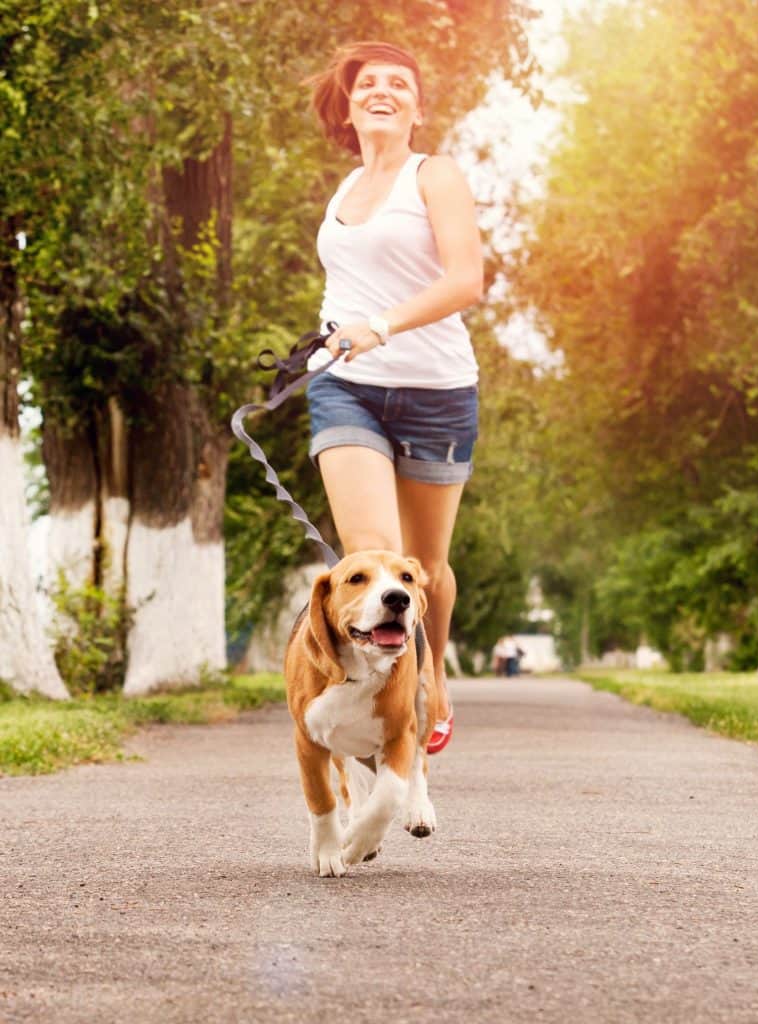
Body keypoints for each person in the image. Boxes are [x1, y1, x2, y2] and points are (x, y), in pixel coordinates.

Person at [303, 42, 483, 754]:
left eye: (397, 84)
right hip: (347, 389)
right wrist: (326, 340)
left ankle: (433, 675)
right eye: (367, 84)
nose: (381, 91)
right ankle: (388, 704)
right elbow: (345, 286)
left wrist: (378, 325)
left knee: (425, 570)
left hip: (437, 392)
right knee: (375, 554)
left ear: (416, 105)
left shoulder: (433, 175)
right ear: (348, 108)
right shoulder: (344, 188)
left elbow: (465, 280)